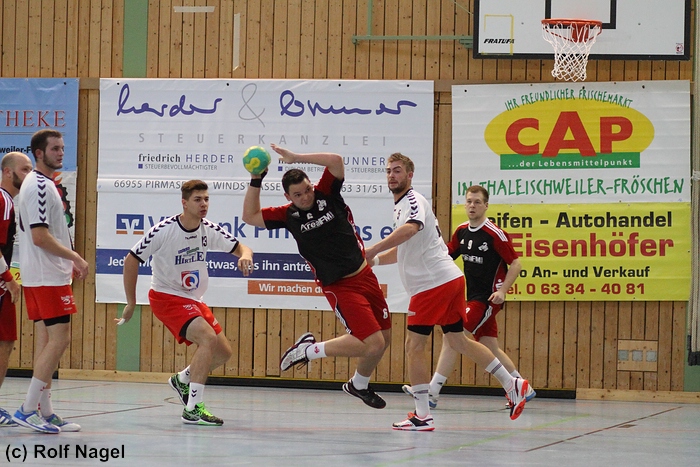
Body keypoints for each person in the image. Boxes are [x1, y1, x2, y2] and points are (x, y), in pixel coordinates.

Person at [364, 153, 529, 431]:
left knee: (413, 346)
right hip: (447, 280)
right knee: (458, 341)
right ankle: (512, 383)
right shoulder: (402, 206)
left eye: (398, 170)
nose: (392, 175)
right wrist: (376, 260)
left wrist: (373, 248)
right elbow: (405, 248)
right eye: (389, 171)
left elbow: (410, 230)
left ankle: (423, 415)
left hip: (432, 284)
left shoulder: (413, 202)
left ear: (410, 175)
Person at [242, 144, 392, 410]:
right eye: (298, 195)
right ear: (288, 196)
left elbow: (335, 160)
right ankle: (308, 351)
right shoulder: (288, 216)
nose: (305, 197)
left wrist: (296, 157)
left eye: (307, 190)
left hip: (365, 275)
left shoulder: (328, 193)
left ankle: (358, 385)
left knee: (385, 340)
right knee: (373, 343)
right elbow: (250, 216)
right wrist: (256, 180)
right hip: (340, 286)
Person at [118, 180, 254, 426]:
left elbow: (241, 247)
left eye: (206, 199)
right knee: (207, 338)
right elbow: (131, 260)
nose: (204, 204)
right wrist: (131, 302)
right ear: (184, 203)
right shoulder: (164, 230)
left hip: (193, 298)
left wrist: (245, 255)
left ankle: (182, 380)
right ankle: (193, 409)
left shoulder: (208, 229)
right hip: (166, 296)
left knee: (223, 353)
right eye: (197, 199)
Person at [402, 185, 536, 408]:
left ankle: (433, 391)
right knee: (489, 346)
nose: (472, 206)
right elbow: (446, 255)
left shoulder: (494, 234)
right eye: (469, 202)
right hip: (470, 295)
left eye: (477, 202)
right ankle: (522, 387)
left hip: (487, 299)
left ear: (486, 205)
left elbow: (516, 263)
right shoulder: (462, 231)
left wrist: (502, 291)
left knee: (453, 337)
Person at [12, 130, 88, 434]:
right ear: (39, 153)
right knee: (60, 339)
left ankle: (45, 410)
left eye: (63, 148)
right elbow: (40, 236)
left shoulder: (42, 183)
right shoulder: (40, 186)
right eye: (55, 148)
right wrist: (75, 258)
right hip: (46, 276)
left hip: (44, 274)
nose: (61, 153)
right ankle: (27, 408)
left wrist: (67, 261)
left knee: (46, 341)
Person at [0, 152, 33, 427]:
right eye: (24, 169)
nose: (29, 174)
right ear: (8, 172)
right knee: (4, 342)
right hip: (1, 285)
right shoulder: (4, 201)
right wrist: (8, 278)